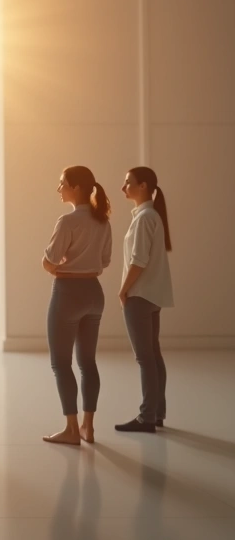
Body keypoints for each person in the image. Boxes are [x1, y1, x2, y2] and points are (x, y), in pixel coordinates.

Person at [41, 166, 112, 445]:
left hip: (68, 293)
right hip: (94, 293)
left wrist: (52, 267)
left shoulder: (67, 221)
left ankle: (71, 429)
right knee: (87, 363)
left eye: (62, 184)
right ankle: (88, 427)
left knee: (61, 363)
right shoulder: (103, 221)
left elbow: (50, 260)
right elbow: (105, 262)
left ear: (77, 188)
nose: (59, 189)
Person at [114, 167, 174, 434]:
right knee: (153, 354)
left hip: (139, 295)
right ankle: (156, 412)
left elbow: (138, 261)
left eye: (128, 183)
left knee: (145, 357)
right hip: (152, 295)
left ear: (143, 186)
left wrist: (123, 289)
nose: (123, 187)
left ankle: (146, 416)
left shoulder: (143, 219)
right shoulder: (152, 216)